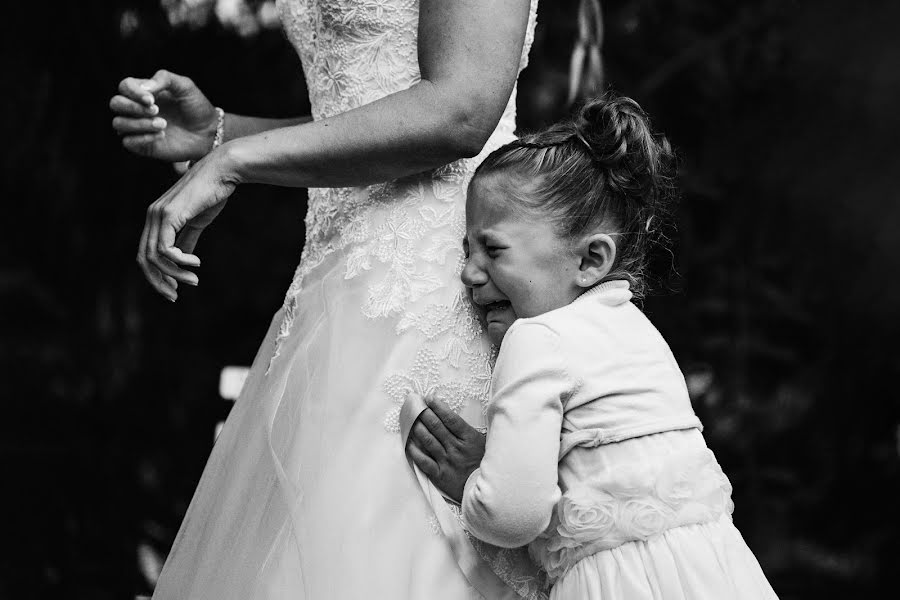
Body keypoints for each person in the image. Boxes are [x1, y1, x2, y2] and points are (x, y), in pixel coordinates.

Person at [109, 1, 546, 598]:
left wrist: (234, 163)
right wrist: (220, 132)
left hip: (434, 282)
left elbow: (461, 110)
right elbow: (363, 107)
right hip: (330, 285)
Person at [404, 94, 780, 599]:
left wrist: (473, 484)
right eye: (466, 250)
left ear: (591, 260)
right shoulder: (638, 333)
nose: (469, 273)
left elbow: (514, 514)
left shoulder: (535, 338)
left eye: (492, 249)